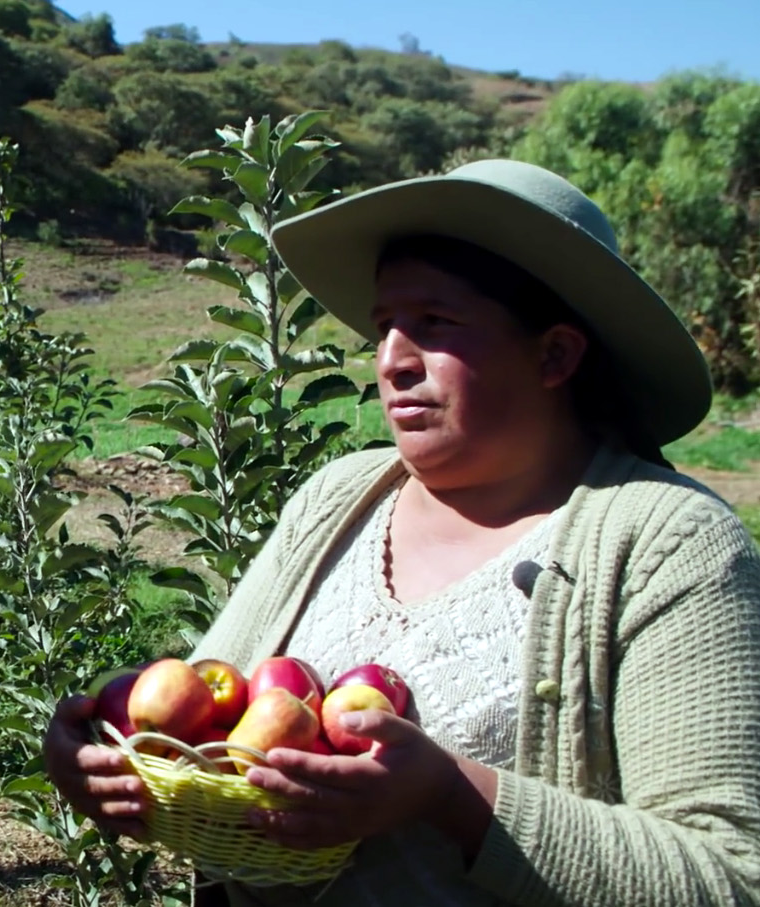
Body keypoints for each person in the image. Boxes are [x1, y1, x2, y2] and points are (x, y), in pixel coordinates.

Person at [44, 158, 760, 906]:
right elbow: (199, 732)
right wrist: (114, 759)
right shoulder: (339, 497)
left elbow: (729, 875)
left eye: (435, 324)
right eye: (385, 325)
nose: (390, 360)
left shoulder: (668, 543)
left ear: (554, 354)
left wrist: (452, 795)